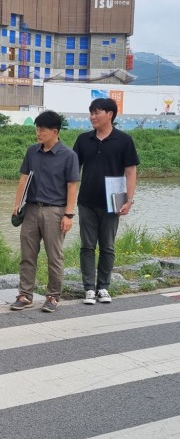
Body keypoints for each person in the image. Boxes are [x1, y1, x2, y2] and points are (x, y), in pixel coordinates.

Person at [11, 110, 80, 313]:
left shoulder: (69, 155)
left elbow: (72, 186)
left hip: (55, 211)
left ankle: (52, 296)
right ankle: (25, 295)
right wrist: (17, 204)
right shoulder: (32, 151)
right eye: (37, 129)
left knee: (54, 256)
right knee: (27, 254)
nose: (38, 133)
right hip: (31, 209)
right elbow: (24, 178)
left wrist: (68, 215)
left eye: (42, 130)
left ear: (55, 131)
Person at [73, 98, 139, 305]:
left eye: (96, 112)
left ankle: (103, 287)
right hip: (86, 200)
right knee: (87, 246)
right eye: (91, 113)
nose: (92, 117)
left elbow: (130, 171)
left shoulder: (124, 140)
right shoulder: (83, 139)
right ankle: (88, 288)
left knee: (107, 246)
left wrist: (129, 200)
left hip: (114, 200)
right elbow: (73, 171)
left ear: (109, 114)